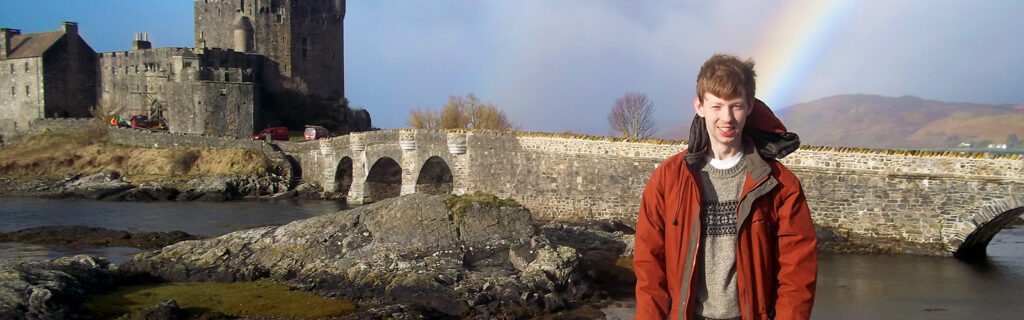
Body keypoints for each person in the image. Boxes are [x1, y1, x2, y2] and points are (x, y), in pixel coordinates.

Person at [633, 54, 817, 320]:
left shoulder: (780, 185)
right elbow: (650, 267)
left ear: (750, 106)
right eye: (717, 106)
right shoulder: (667, 180)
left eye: (736, 106)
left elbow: (798, 273)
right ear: (700, 106)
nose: (727, 118)